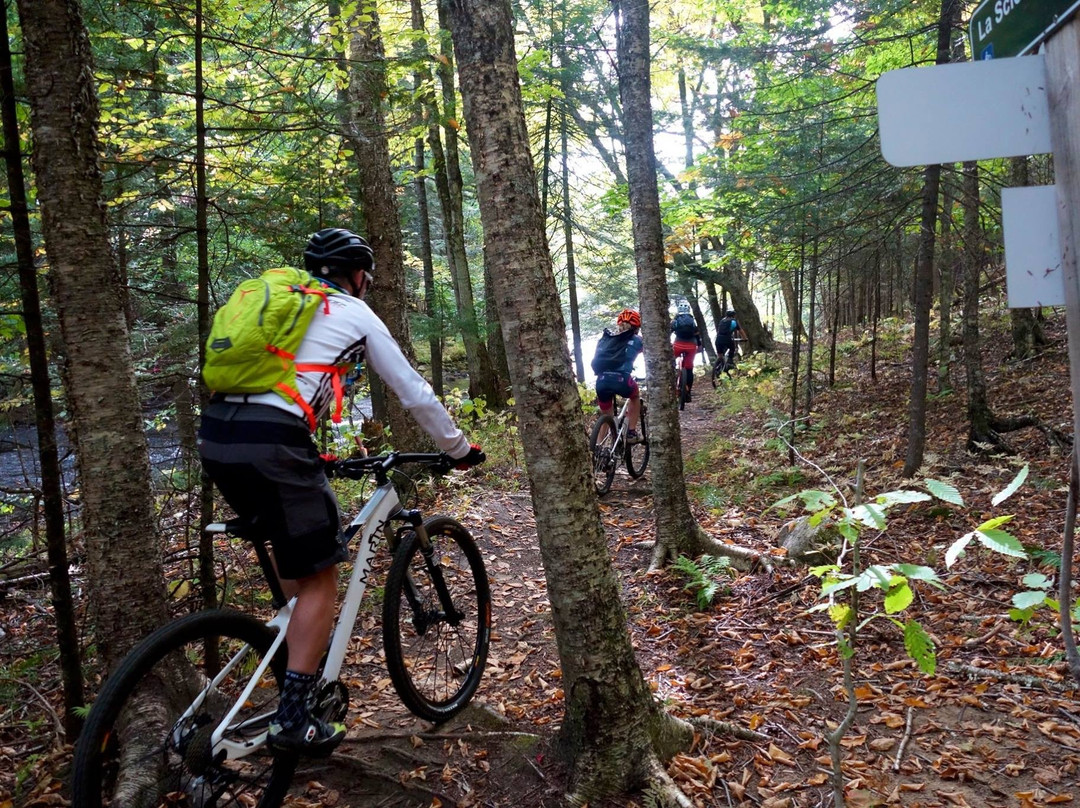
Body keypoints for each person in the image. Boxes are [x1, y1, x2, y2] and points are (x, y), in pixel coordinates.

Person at [197, 227, 484, 756]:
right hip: (275, 443)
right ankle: (293, 721)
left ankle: (294, 649)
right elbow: (414, 391)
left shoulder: (283, 303)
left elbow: (276, 386)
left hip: (217, 437)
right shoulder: (353, 311)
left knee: (297, 562)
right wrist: (459, 448)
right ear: (357, 276)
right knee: (322, 579)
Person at [592, 309, 644, 443]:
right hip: (622, 381)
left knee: (606, 415)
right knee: (635, 396)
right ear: (637, 327)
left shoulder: (607, 339)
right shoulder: (637, 340)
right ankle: (631, 432)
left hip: (601, 381)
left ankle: (598, 446)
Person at [669, 300, 701, 402]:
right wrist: (699, 345)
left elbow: (669, 333)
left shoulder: (675, 321)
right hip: (691, 346)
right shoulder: (692, 320)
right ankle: (688, 391)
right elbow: (697, 334)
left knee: (671, 363)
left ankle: (672, 386)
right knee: (689, 368)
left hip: (678, 345)